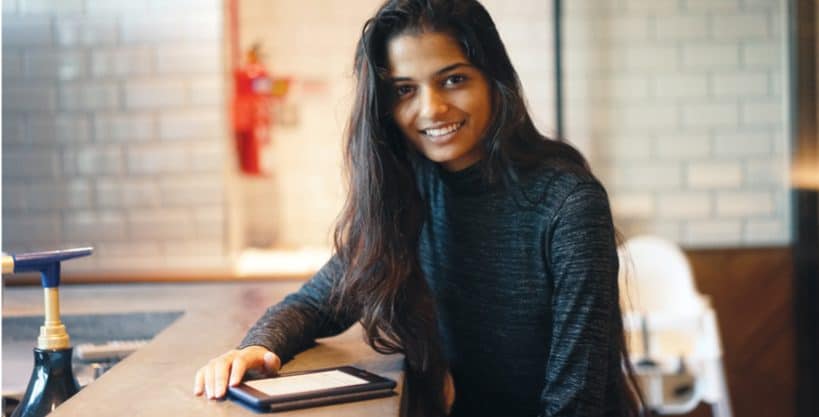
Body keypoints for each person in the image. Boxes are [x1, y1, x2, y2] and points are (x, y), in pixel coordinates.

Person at [194, 1, 644, 416]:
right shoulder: (410, 189)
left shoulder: (568, 203)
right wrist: (256, 346)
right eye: (405, 90)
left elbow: (576, 400)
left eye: (453, 79)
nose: (431, 108)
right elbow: (322, 300)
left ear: (493, 78)